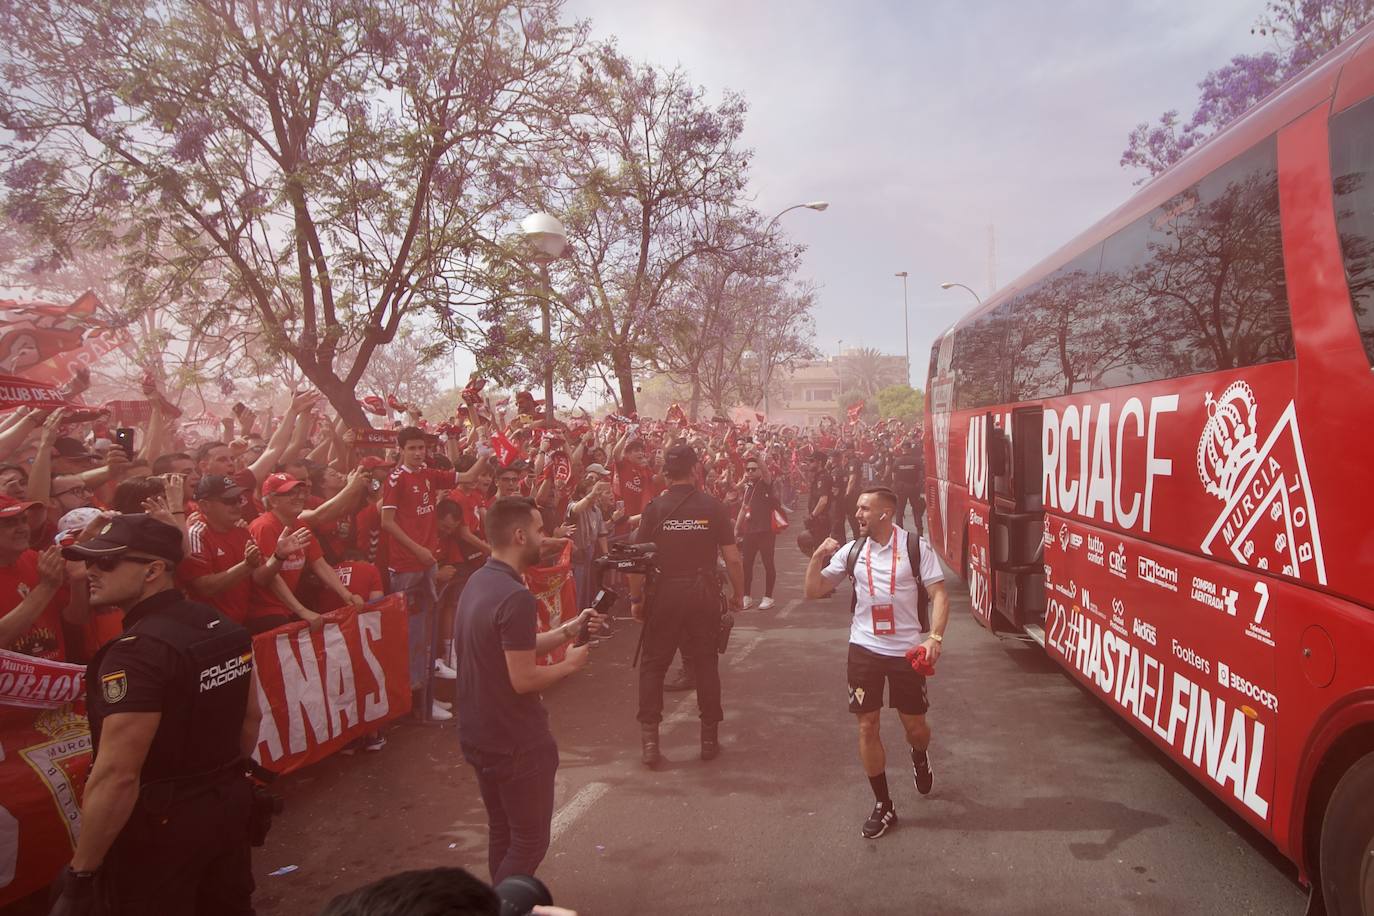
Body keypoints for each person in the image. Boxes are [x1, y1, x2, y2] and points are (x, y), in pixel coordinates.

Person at [48, 514, 259, 915]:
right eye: (90, 560)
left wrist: (82, 874)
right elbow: (251, 719)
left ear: (154, 570)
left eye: (106, 562)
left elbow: (117, 775)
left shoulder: (137, 651)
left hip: (160, 830)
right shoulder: (224, 627)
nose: (91, 571)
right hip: (228, 806)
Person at [453, 496, 607, 886]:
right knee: (530, 840)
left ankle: (503, 901)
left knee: (503, 830)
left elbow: (509, 644)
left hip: (478, 733)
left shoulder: (480, 580)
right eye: (540, 530)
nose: (546, 538)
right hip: (515, 740)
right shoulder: (516, 596)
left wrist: (568, 630)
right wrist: (570, 663)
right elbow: (523, 678)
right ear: (520, 535)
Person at [802, 486, 949, 840]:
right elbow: (814, 591)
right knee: (867, 724)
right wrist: (817, 556)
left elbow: (939, 594)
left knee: (915, 726)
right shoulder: (853, 551)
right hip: (864, 648)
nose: (858, 515)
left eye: (865, 509)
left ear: (885, 513)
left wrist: (935, 638)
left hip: (906, 651)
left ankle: (919, 754)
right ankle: (884, 805)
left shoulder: (915, 548)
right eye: (857, 509)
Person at [631, 444, 744, 768]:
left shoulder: (653, 508)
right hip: (703, 593)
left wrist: (637, 600)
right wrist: (739, 594)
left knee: (653, 666)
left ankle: (650, 744)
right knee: (705, 664)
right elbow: (733, 557)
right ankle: (709, 740)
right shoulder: (713, 506)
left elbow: (638, 562)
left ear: (665, 473)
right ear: (696, 469)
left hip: (664, 594)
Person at [735, 458, 780, 610]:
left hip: (765, 531)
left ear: (760, 470)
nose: (750, 472)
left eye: (754, 469)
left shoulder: (765, 483)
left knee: (768, 563)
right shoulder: (748, 487)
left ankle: (768, 597)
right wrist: (736, 528)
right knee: (746, 564)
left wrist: (756, 454)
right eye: (748, 469)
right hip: (749, 531)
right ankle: (746, 596)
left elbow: (766, 471)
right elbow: (743, 508)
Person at [891, 438, 925, 534]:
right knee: (916, 510)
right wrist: (918, 486)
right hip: (913, 488)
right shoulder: (916, 461)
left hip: (901, 489)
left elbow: (893, 476)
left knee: (900, 511)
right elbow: (921, 475)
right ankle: (919, 531)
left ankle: (899, 532)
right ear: (910, 449)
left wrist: (897, 487)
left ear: (902, 449)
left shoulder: (897, 461)